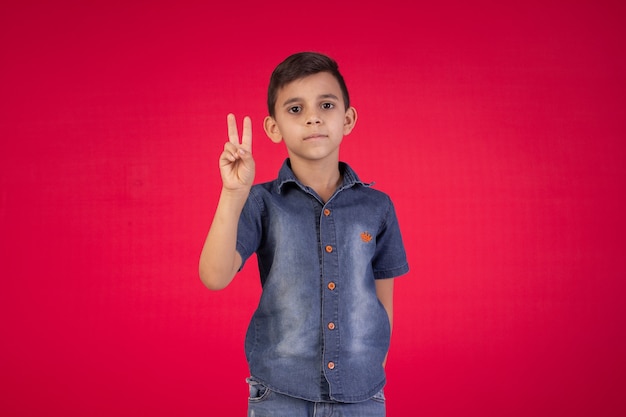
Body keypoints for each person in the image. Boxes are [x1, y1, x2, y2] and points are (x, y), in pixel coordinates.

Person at [199, 52, 409, 416]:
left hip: (362, 395)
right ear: (273, 128)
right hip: (280, 394)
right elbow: (214, 277)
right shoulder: (261, 202)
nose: (313, 117)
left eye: (326, 104)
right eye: (295, 109)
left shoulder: (377, 207)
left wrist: (370, 367)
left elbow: (382, 299)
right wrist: (233, 194)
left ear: (347, 119)